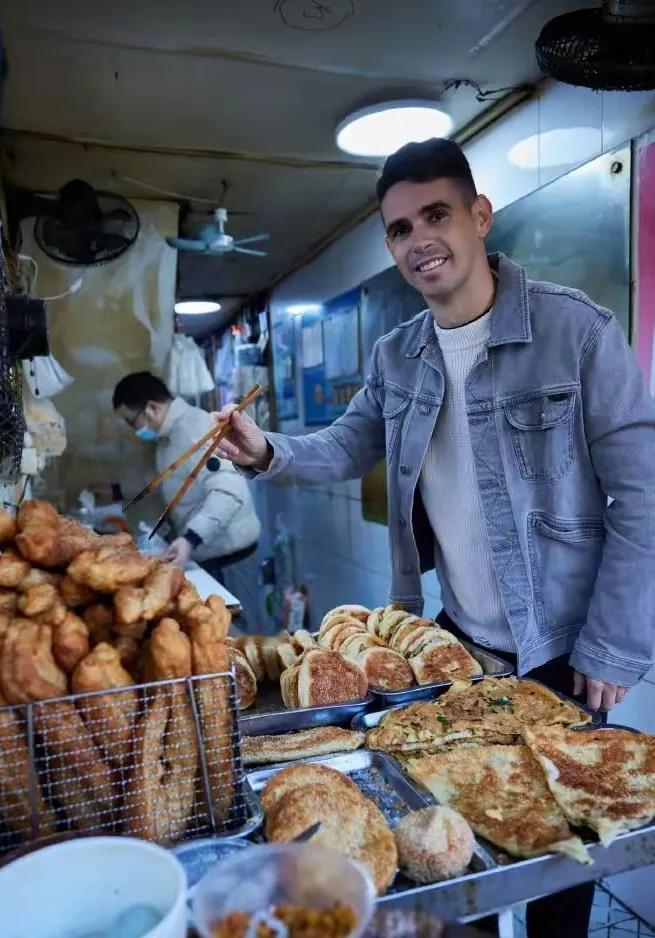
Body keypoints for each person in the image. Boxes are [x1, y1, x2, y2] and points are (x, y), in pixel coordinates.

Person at [215, 138, 655, 938]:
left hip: (561, 649)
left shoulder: (575, 330)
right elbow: (348, 445)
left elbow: (644, 495)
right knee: (460, 849)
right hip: (460, 649)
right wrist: (267, 450)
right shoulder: (397, 354)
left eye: (436, 215)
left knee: (564, 859)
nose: (418, 239)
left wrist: (613, 645)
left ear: (479, 217)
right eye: (398, 228)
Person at [111, 372, 260, 579]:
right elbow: (159, 478)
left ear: (151, 409)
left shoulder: (196, 429)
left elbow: (229, 492)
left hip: (229, 551)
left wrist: (190, 539)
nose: (132, 429)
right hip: (206, 548)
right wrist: (113, 491)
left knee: (227, 611)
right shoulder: (168, 437)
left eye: (131, 421)